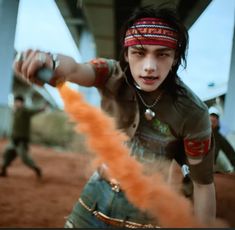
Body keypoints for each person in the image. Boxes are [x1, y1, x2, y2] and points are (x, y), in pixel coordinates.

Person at [13, 5, 216, 227]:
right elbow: (73, 70)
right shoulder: (111, 74)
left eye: (162, 54)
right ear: (127, 54)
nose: (149, 67)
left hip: (146, 212)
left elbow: (203, 185)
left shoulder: (192, 111)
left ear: (175, 57)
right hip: (94, 197)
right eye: (139, 52)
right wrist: (50, 60)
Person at [0, 95, 46, 178]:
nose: (15, 103)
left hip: (22, 140)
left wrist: (42, 108)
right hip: (14, 139)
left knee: (25, 158)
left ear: (22, 103)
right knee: (7, 154)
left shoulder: (25, 111)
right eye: (15, 102)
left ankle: (36, 169)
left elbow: (34, 110)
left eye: (17, 102)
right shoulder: (16, 111)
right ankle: (3, 171)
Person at [209, 106, 235, 172]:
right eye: (211, 116)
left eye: (216, 117)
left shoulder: (219, 137)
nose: (213, 118)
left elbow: (230, 152)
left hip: (210, 170)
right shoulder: (199, 133)